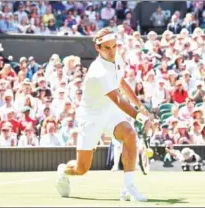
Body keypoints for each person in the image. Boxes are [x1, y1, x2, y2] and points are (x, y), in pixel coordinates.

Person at [55, 27, 153, 202]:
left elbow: (122, 83)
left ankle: (128, 187)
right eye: (107, 48)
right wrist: (141, 118)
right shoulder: (98, 70)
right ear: (98, 48)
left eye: (114, 46)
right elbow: (117, 99)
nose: (112, 51)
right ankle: (63, 171)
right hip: (91, 118)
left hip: (109, 112)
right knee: (81, 168)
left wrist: (141, 107)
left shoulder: (116, 59)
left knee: (130, 134)